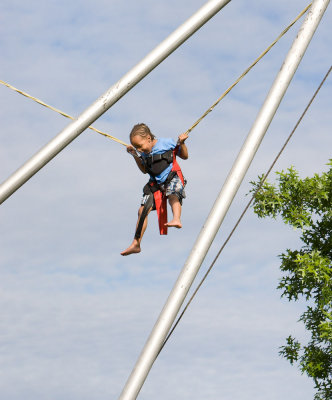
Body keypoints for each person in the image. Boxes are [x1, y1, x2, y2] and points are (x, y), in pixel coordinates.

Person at [121, 123, 189, 256]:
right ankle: (136, 243)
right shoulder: (143, 153)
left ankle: (176, 218)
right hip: (155, 184)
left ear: (148, 138)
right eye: (137, 147)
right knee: (142, 210)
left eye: (140, 146)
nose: (140, 149)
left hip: (172, 177)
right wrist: (135, 155)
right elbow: (144, 170)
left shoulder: (166, 143)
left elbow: (184, 156)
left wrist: (182, 144)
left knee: (173, 194)